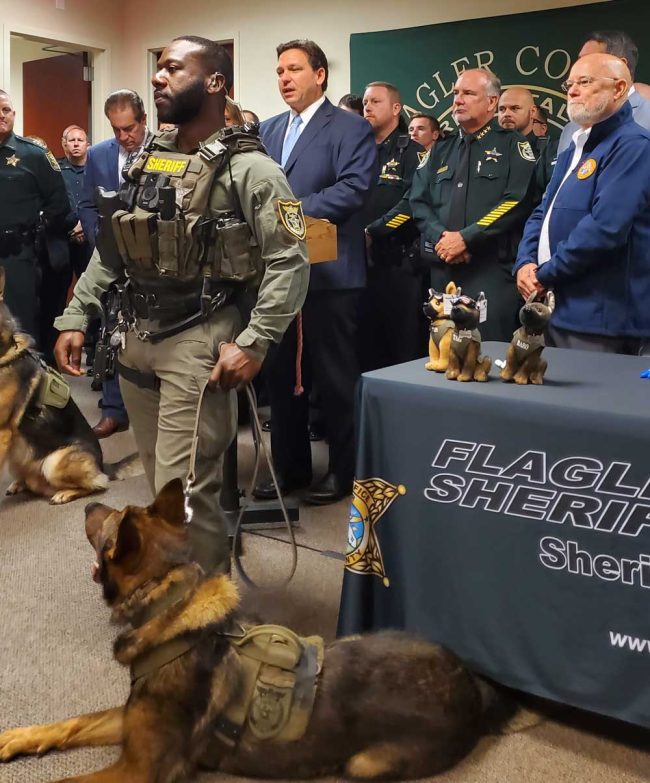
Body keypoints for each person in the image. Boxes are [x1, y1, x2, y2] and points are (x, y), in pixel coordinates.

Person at [53, 36, 309, 575]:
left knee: (185, 493)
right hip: (134, 340)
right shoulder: (151, 157)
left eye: (173, 68)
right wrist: (78, 311)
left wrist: (256, 341)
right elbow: (117, 244)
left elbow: (290, 261)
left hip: (197, 342)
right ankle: (179, 588)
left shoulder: (252, 170)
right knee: (159, 484)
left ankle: (205, 614)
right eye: (158, 68)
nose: (158, 77)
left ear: (214, 81)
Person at [256, 39, 377, 505]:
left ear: (320, 75)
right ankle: (290, 470)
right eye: (280, 70)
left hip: (331, 275)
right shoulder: (266, 130)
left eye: (295, 69)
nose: (285, 78)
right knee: (282, 376)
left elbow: (352, 190)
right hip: (279, 276)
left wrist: (287, 213)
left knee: (334, 378)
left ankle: (344, 473)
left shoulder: (350, 128)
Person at [514, 54, 650, 356]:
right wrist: (524, 262)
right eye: (570, 84)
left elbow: (605, 229)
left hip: (599, 321)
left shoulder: (634, 146)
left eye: (584, 82)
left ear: (618, 89)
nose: (572, 91)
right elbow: (542, 211)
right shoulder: (574, 147)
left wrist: (544, 273)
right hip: (554, 308)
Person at [410, 69, 537, 342]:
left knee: (486, 353)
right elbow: (418, 201)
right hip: (443, 269)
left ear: (492, 102)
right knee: (443, 349)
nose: (458, 100)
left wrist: (466, 239)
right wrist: (443, 239)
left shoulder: (513, 145)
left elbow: (516, 201)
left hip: (489, 270)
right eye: (456, 93)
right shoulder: (440, 150)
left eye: (468, 93)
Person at [79, 89, 150, 438]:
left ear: (144, 120)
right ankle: (112, 410)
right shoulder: (98, 155)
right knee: (110, 332)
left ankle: (150, 411)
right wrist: (101, 241)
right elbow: (87, 204)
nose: (124, 137)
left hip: (152, 263)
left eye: (130, 128)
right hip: (110, 261)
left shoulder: (164, 151)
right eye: (116, 129)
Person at [361, 81, 426, 371]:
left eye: (375, 102)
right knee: (365, 343)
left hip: (397, 260)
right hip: (359, 262)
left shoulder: (412, 152)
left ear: (396, 108)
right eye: (365, 102)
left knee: (400, 345)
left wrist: (374, 231)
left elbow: (413, 203)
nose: (367, 107)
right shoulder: (358, 150)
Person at [0, 90, 70, 340]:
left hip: (18, 255)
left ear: (14, 114)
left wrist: (35, 232)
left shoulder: (34, 155)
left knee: (21, 328)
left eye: (6, 110)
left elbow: (59, 205)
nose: (1, 115)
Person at [557, 30, 650, 154]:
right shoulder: (571, 128)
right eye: (579, 60)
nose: (579, 67)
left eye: (589, 60)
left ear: (620, 66)